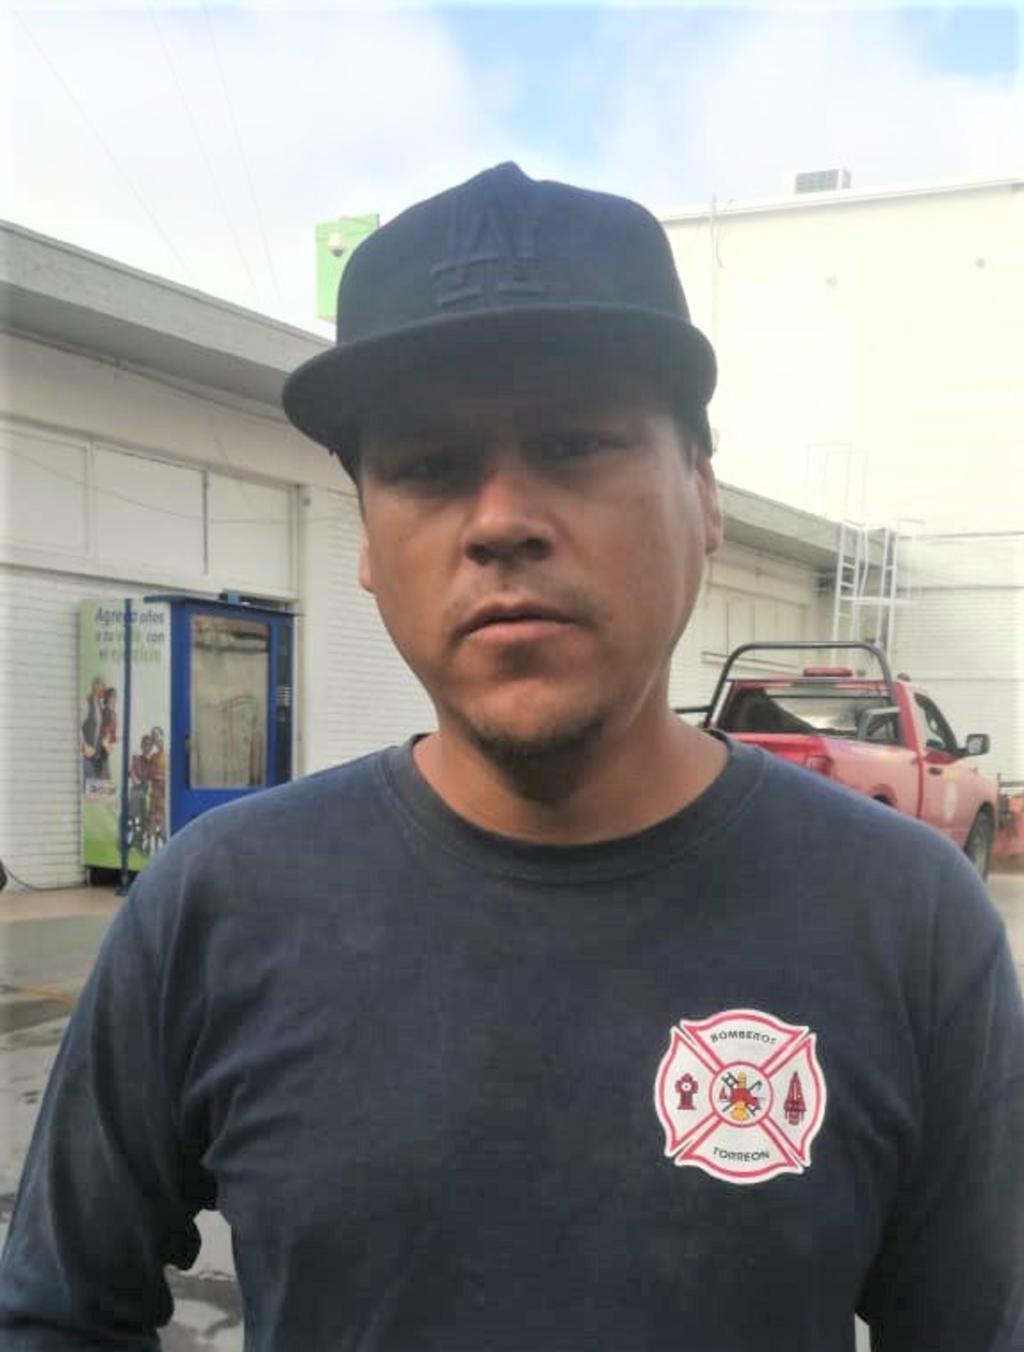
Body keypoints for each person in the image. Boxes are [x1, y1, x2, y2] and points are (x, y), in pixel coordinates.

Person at [1, 163, 1021, 1350]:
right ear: (368, 542)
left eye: (574, 441)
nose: (498, 519)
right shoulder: (216, 902)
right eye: (426, 465)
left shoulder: (905, 920)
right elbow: (58, 1313)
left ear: (703, 495)